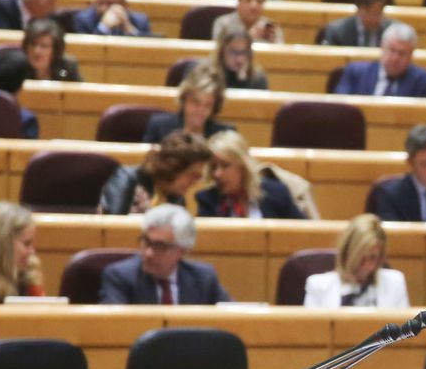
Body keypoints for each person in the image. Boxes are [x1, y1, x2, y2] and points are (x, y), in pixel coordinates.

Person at [98, 204, 231, 305]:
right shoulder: (120, 277)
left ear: (182, 250)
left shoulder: (203, 278)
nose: (149, 253)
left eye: (160, 246)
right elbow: (115, 330)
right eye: (146, 242)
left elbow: (233, 319)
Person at [303, 213, 410, 309]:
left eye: (373, 257)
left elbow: (403, 330)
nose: (366, 265)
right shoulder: (318, 286)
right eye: (361, 258)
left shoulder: (395, 283)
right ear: (348, 253)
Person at [98, 130, 213, 215]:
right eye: (193, 175)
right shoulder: (128, 178)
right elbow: (113, 224)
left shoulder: (177, 197)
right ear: (174, 166)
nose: (195, 183)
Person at [195, 130, 304, 220]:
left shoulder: (276, 193)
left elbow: (302, 234)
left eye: (225, 166)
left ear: (243, 167)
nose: (217, 174)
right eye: (213, 167)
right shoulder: (207, 201)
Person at [333, 23, 426, 97]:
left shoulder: (424, 81)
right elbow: (340, 110)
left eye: (402, 53)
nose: (395, 58)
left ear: (411, 55)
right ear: (382, 47)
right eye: (392, 50)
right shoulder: (355, 72)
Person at [143, 65, 235, 144]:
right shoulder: (160, 128)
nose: (200, 110)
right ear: (184, 99)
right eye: (195, 102)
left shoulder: (225, 134)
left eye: (208, 105)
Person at [69, 0, 154, 37]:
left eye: (110, 4)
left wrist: (129, 29)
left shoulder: (140, 21)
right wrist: (103, 27)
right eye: (101, 2)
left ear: (124, 5)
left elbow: (147, 52)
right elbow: (86, 51)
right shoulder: (83, 20)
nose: (104, 8)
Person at [210, 0, 282, 45]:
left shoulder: (271, 29)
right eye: (248, 0)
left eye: (259, 1)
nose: (253, 6)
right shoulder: (223, 24)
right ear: (239, 2)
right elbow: (219, 52)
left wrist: (273, 44)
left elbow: (281, 54)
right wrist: (248, 37)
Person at [320, 0, 394, 48]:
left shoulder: (393, 31)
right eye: (368, 12)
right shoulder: (337, 31)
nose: (373, 18)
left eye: (378, 13)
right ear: (358, 10)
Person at [210, 19, 267, 90]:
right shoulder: (209, 76)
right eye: (233, 52)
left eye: (244, 52)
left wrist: (243, 80)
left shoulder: (258, 79)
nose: (239, 59)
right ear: (221, 52)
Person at [22, 17, 81, 82]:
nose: (36, 51)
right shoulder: (18, 67)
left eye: (44, 46)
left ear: (55, 50)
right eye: (33, 44)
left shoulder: (67, 68)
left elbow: (79, 91)